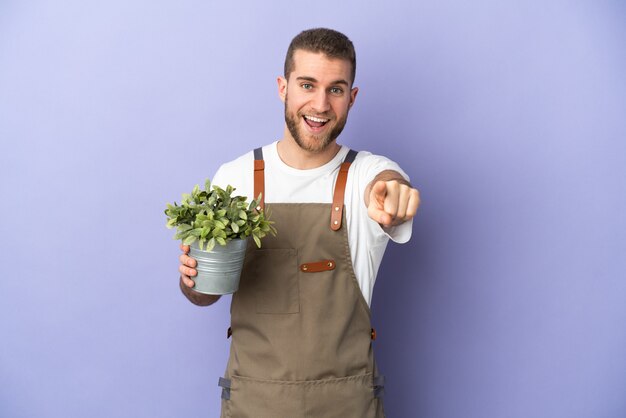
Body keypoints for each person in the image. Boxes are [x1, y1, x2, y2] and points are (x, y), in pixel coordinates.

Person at [178, 28, 420, 418]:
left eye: (336, 89)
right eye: (307, 84)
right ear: (282, 87)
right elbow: (203, 294)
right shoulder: (235, 178)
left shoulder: (366, 174)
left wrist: (394, 192)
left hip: (347, 404)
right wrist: (193, 278)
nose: (320, 104)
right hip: (253, 403)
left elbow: (389, 184)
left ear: (352, 98)